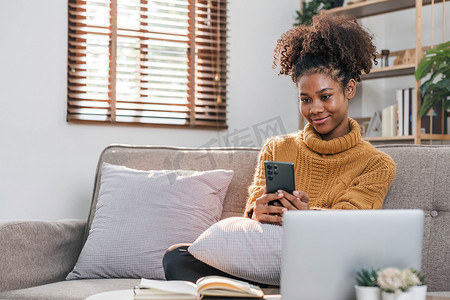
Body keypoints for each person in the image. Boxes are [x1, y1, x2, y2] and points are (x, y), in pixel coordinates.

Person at [163, 11, 396, 283]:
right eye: (305, 99)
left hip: (321, 263)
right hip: (266, 261)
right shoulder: (277, 147)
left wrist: (307, 217)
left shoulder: (377, 164)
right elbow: (251, 221)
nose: (315, 109)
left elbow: (352, 223)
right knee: (177, 257)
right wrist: (256, 212)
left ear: (350, 89)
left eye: (325, 96)